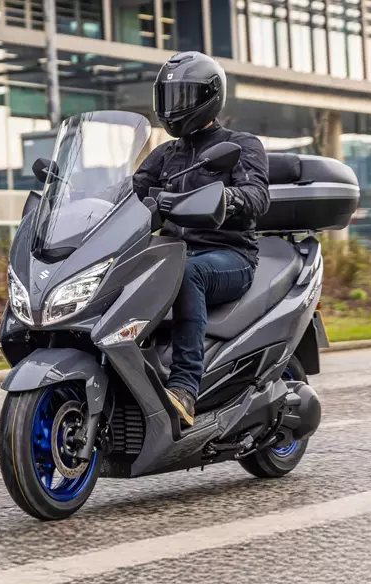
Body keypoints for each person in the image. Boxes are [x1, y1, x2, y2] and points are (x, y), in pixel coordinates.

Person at [132, 51, 270, 428]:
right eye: (168, 97)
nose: (173, 108)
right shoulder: (164, 155)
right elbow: (130, 193)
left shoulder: (240, 145)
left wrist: (230, 197)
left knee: (187, 274)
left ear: (208, 97)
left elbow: (258, 196)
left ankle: (184, 387)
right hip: (172, 251)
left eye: (183, 97)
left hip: (229, 255)